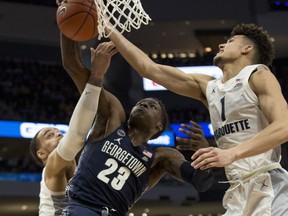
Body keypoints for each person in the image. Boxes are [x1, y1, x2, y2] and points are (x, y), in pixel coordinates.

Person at [106, 23, 288, 215]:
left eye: (231, 41)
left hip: (267, 183)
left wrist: (231, 153)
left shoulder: (258, 76)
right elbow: (149, 69)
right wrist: (109, 28)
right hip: (237, 191)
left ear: (247, 48)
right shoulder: (209, 86)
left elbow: (284, 126)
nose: (221, 45)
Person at [59, 35, 214, 215]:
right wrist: (67, 28)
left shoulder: (161, 157)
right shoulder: (112, 118)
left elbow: (201, 182)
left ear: (158, 126)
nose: (144, 104)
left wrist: (205, 158)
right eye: (142, 102)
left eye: (152, 106)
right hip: (81, 207)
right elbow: (72, 65)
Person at [29, 39, 117, 215]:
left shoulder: (80, 172)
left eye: (57, 131)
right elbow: (76, 136)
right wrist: (96, 76)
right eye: (49, 135)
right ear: (41, 154)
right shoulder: (52, 167)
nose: (58, 134)